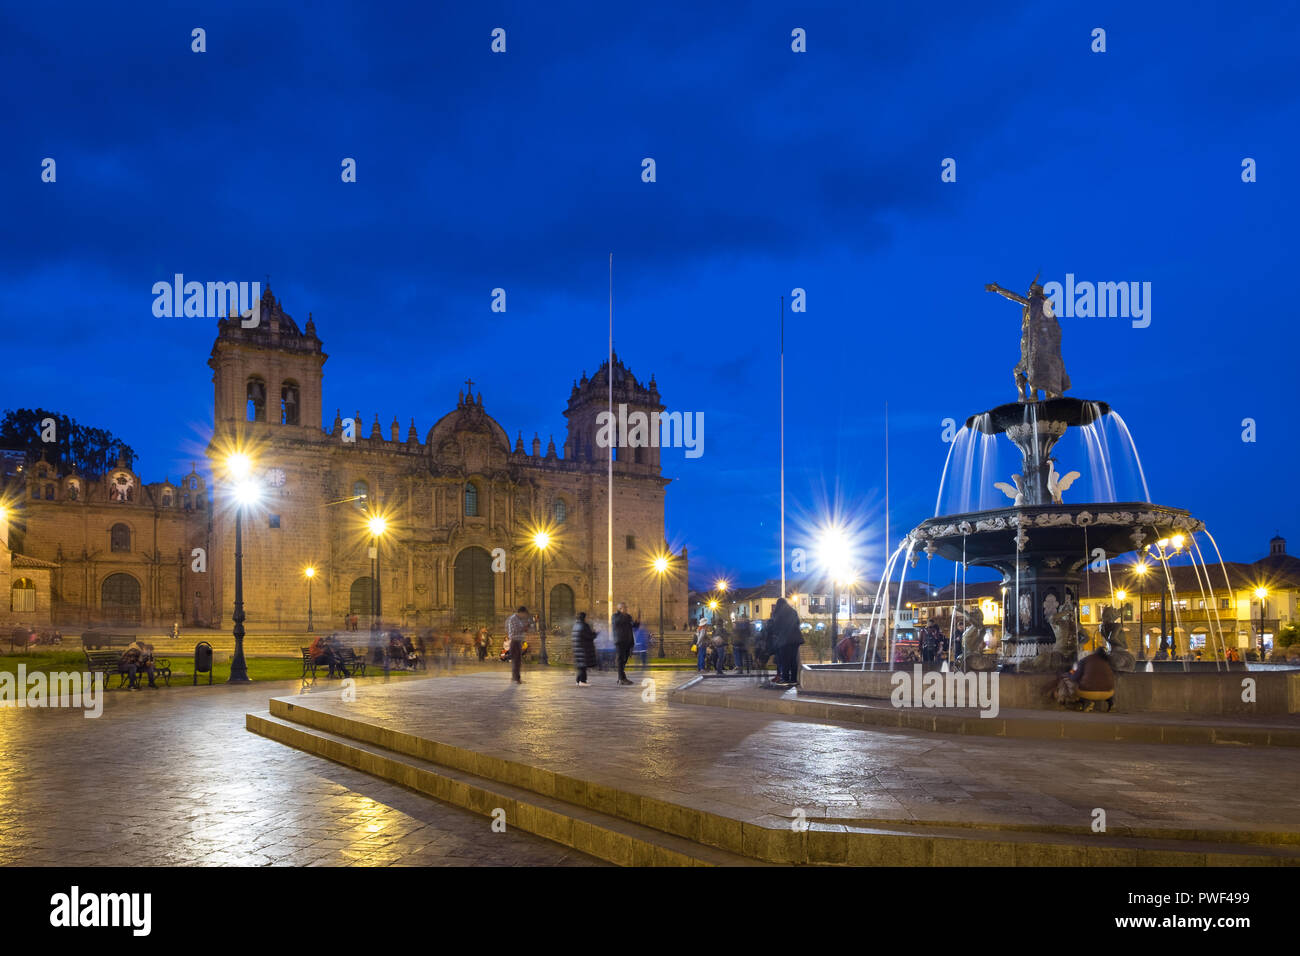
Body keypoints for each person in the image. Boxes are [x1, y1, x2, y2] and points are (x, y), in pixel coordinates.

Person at [1060, 646, 1116, 711]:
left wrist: (1068, 674)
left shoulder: (1084, 660)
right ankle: (1112, 704)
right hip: (1109, 693)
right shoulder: (1106, 661)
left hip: (1088, 693)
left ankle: (1078, 701)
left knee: (1067, 680)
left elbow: (1075, 677)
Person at [767, 597, 803, 685]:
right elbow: (798, 623)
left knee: (785, 660)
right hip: (795, 639)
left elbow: (775, 627)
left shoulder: (778, 613)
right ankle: (793, 679)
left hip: (784, 640)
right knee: (793, 660)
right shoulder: (793, 611)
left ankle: (785, 678)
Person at [612, 602, 638, 686]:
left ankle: (622, 677)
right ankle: (621, 679)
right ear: (620, 609)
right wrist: (625, 615)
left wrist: (637, 622)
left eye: (626, 607)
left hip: (628, 642)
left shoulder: (628, 616)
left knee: (624, 660)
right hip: (620, 641)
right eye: (624, 608)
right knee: (620, 660)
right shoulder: (615, 616)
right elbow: (618, 622)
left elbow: (633, 626)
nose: (626, 609)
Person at [572, 612, 597, 686]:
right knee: (583, 666)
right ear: (584, 618)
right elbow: (589, 636)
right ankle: (582, 681)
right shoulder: (584, 625)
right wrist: (595, 633)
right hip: (583, 648)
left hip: (578, 648)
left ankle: (578, 681)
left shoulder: (576, 625)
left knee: (581, 666)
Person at [505, 607, 530, 683]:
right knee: (517, 661)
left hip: (517, 641)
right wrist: (524, 628)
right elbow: (515, 630)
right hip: (515, 641)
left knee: (517, 660)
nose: (524, 616)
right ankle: (517, 678)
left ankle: (515, 677)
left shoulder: (517, 619)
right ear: (521, 612)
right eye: (524, 614)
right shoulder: (514, 619)